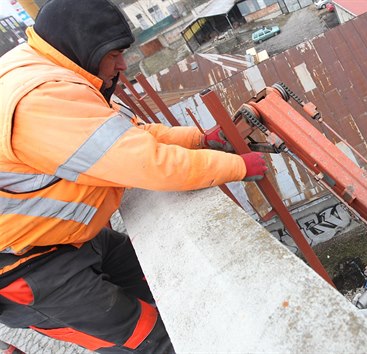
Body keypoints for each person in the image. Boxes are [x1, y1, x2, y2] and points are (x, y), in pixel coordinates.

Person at [0, 0, 267, 352]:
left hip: (67, 240)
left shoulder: (55, 70)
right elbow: (149, 163)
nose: (123, 65)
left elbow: (131, 135)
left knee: (172, 284)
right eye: (114, 55)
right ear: (85, 47)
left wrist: (200, 140)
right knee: (154, 340)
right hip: (28, 270)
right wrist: (239, 167)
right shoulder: (41, 99)